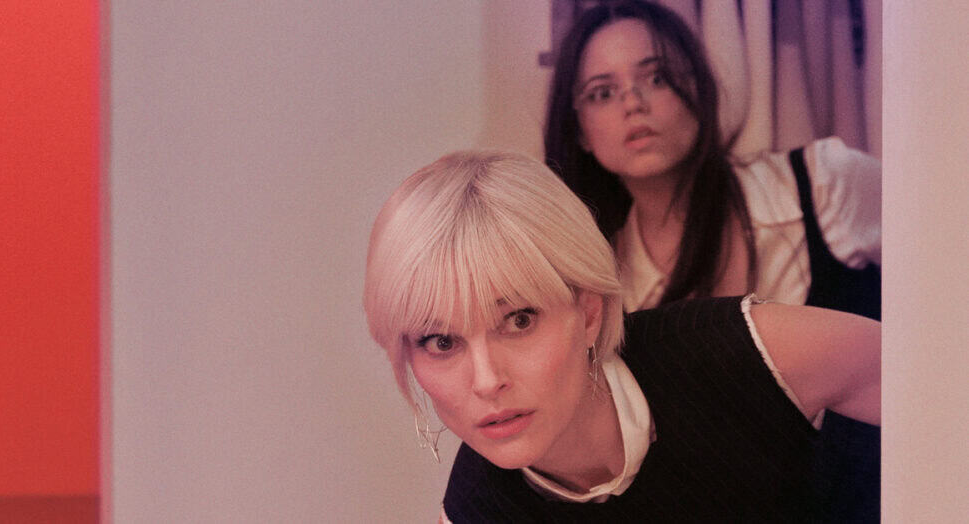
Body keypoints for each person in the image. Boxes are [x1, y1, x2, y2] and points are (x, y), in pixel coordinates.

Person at [363, 151, 879, 522]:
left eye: (518, 320)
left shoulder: (740, 351)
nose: (486, 380)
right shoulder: (478, 509)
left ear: (589, 312)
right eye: (441, 342)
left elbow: (929, 383)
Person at [543, 1, 881, 320]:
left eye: (657, 78)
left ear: (699, 88)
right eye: (602, 93)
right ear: (580, 131)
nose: (633, 103)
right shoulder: (607, 284)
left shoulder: (825, 181)